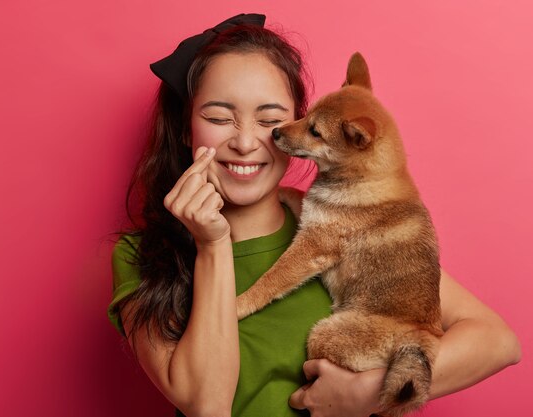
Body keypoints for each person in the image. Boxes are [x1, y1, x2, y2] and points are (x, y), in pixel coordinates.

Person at [108, 13, 521, 417]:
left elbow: (498, 341)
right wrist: (212, 244)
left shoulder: (351, 229)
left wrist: (369, 392)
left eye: (271, 120)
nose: (247, 142)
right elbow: (208, 405)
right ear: (185, 129)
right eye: (219, 118)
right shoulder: (140, 257)